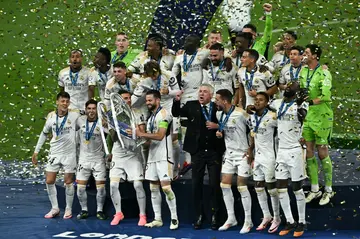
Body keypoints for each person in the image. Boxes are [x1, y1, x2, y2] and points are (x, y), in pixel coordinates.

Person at [172, 84, 225, 230]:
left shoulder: (217, 107)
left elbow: (226, 123)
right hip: (197, 152)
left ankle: (215, 216)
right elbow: (176, 113)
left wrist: (218, 126)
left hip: (214, 151)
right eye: (200, 91)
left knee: (215, 184)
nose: (201, 94)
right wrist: (176, 101)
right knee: (196, 184)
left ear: (211, 95)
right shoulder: (191, 105)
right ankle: (199, 216)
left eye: (205, 92)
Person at [132, 90, 179, 230]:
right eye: (146, 101)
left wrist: (141, 133)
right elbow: (149, 140)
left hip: (164, 156)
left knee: (166, 188)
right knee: (153, 188)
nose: (147, 103)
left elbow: (159, 136)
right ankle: (157, 218)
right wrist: (138, 136)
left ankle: (174, 218)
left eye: (150, 100)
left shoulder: (164, 114)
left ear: (157, 100)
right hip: (152, 156)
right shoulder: (151, 117)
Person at [32, 92, 80, 219]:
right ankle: (55, 208)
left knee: (68, 182)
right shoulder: (51, 117)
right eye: (62, 101)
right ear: (57, 102)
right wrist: (36, 151)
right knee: (49, 180)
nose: (65, 104)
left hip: (69, 153)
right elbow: (43, 133)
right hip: (54, 152)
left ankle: (68, 209)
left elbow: (89, 117)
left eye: (67, 101)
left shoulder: (75, 115)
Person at [270, 82, 308, 237]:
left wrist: (299, 104)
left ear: (297, 92)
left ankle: (302, 221)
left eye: (292, 87)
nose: (288, 87)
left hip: (294, 152)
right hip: (281, 152)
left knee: (297, 188)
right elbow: (266, 104)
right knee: (281, 188)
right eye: (288, 85)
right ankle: (290, 221)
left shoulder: (302, 104)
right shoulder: (278, 103)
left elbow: (303, 117)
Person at [299, 44, 334, 205]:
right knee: (309, 151)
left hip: (322, 116)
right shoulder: (303, 71)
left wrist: (311, 101)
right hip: (308, 116)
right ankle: (314, 189)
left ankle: (328, 189)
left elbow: (326, 96)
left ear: (315, 56)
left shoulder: (324, 73)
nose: (304, 55)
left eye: (306, 53)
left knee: (322, 152)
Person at [214, 89, 253, 234]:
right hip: (229, 155)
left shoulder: (242, 114)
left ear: (225, 100)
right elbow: (226, 128)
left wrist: (251, 150)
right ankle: (231, 218)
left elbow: (253, 129)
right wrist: (220, 133)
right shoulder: (219, 114)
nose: (215, 102)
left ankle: (248, 221)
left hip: (242, 154)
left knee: (242, 187)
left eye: (217, 99)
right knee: (224, 185)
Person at [172, 34, 210, 175]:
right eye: (186, 40)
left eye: (190, 40)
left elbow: (219, 54)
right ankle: (188, 160)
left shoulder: (203, 53)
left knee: (199, 127)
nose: (187, 42)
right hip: (184, 95)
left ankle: (200, 158)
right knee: (184, 128)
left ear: (197, 44)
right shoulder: (180, 58)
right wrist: (176, 89)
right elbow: (172, 75)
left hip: (198, 94)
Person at [108, 90, 147, 226]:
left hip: (133, 154)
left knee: (137, 184)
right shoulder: (113, 116)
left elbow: (143, 134)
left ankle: (142, 214)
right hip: (118, 154)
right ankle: (118, 213)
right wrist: (120, 129)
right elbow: (112, 137)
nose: (128, 100)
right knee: (113, 185)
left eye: (129, 98)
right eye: (124, 98)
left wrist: (135, 132)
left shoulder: (138, 113)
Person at [248, 92, 281, 233]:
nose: (257, 102)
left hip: (270, 157)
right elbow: (253, 135)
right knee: (258, 187)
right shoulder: (253, 117)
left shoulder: (272, 117)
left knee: (272, 189)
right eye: (256, 100)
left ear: (267, 103)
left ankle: (277, 218)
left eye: (261, 100)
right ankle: (266, 215)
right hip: (258, 157)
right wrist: (250, 150)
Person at [75, 99, 107, 220]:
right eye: (89, 109)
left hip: (98, 160)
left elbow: (112, 138)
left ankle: (100, 210)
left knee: (101, 188)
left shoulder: (102, 123)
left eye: (94, 109)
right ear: (86, 110)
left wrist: (107, 125)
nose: (91, 111)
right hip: (83, 160)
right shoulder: (80, 120)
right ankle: (84, 210)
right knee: (80, 188)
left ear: (97, 110)